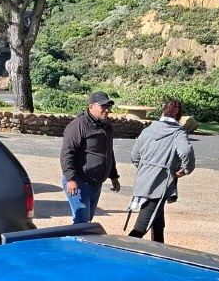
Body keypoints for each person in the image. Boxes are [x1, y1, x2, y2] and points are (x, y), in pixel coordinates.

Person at [127, 99, 196, 243]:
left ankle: (159, 246)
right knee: (143, 224)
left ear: (163, 112)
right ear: (179, 116)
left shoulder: (148, 129)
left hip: (143, 179)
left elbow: (135, 156)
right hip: (161, 182)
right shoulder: (178, 133)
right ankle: (120, 252)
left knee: (157, 219)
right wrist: (185, 170)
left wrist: (146, 168)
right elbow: (186, 151)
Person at [60, 91, 121, 223]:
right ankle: (72, 243)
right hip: (79, 181)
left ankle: (78, 242)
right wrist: (71, 179)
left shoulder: (106, 126)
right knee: (82, 221)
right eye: (103, 106)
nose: (107, 109)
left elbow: (108, 152)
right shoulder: (79, 125)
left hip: (95, 183)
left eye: (108, 106)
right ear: (91, 106)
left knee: (87, 221)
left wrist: (114, 176)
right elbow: (67, 153)